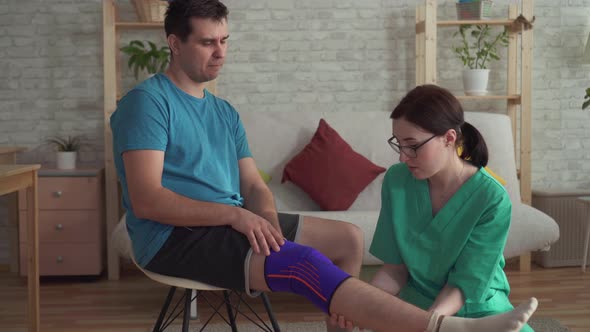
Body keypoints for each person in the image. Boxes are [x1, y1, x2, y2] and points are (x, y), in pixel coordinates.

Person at [110, 0, 538, 331]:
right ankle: (445, 327)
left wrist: (263, 218)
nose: (220, 52)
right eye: (207, 42)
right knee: (302, 265)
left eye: (224, 41)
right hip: (174, 238)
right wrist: (236, 216)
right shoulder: (148, 104)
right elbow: (147, 201)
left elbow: (252, 186)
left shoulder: (224, 112)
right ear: (174, 43)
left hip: (228, 224)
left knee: (347, 239)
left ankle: (343, 322)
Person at [367, 84, 534, 331]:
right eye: (399, 144)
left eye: (412, 145)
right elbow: (395, 269)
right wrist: (362, 304)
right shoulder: (396, 180)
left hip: (478, 308)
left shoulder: (491, 198)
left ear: (449, 138)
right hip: (416, 303)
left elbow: (463, 285)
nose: (403, 156)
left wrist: (430, 323)